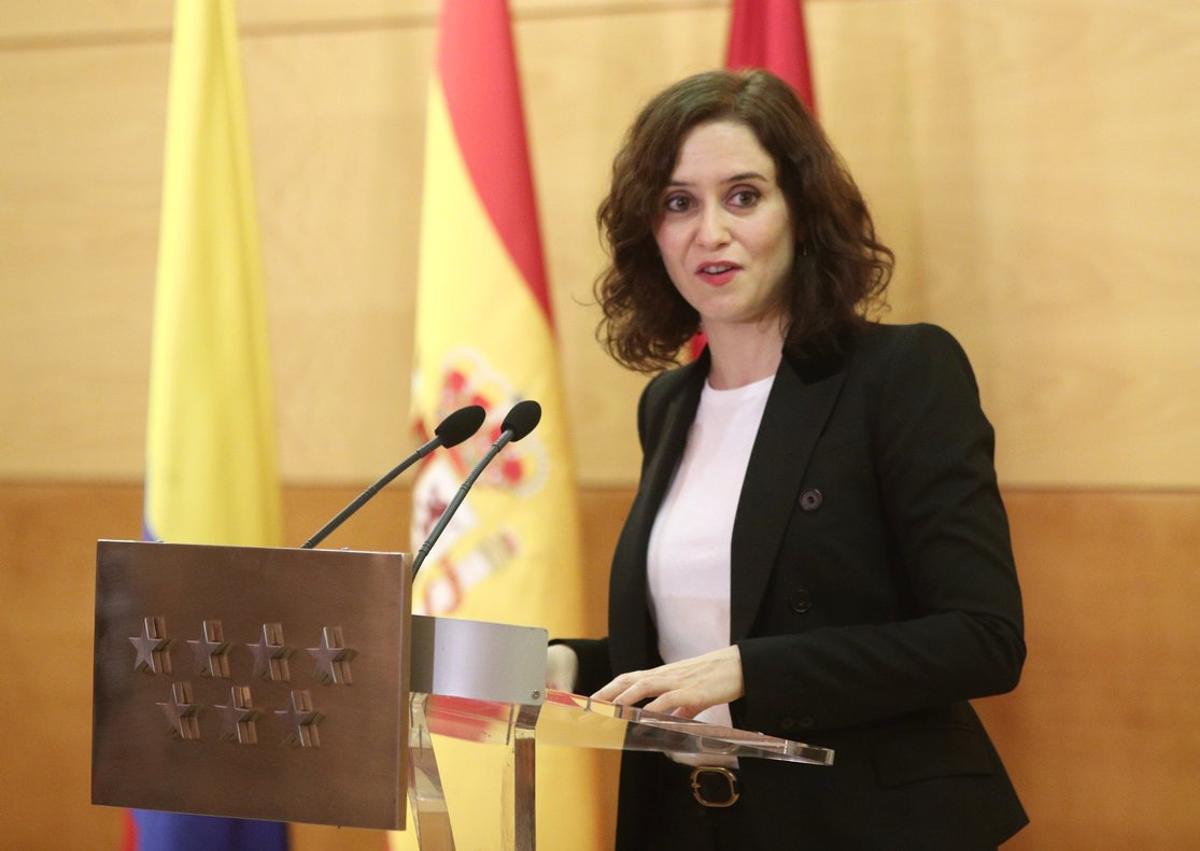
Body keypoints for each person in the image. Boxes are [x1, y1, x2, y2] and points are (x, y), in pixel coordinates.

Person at [547, 69, 1027, 849]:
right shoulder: (667, 405)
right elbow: (702, 635)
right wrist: (573, 659)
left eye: (743, 196)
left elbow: (982, 636)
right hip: (690, 822)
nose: (710, 230)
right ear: (652, 233)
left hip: (861, 823)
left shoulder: (902, 374)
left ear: (800, 212)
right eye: (679, 203)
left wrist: (750, 670)